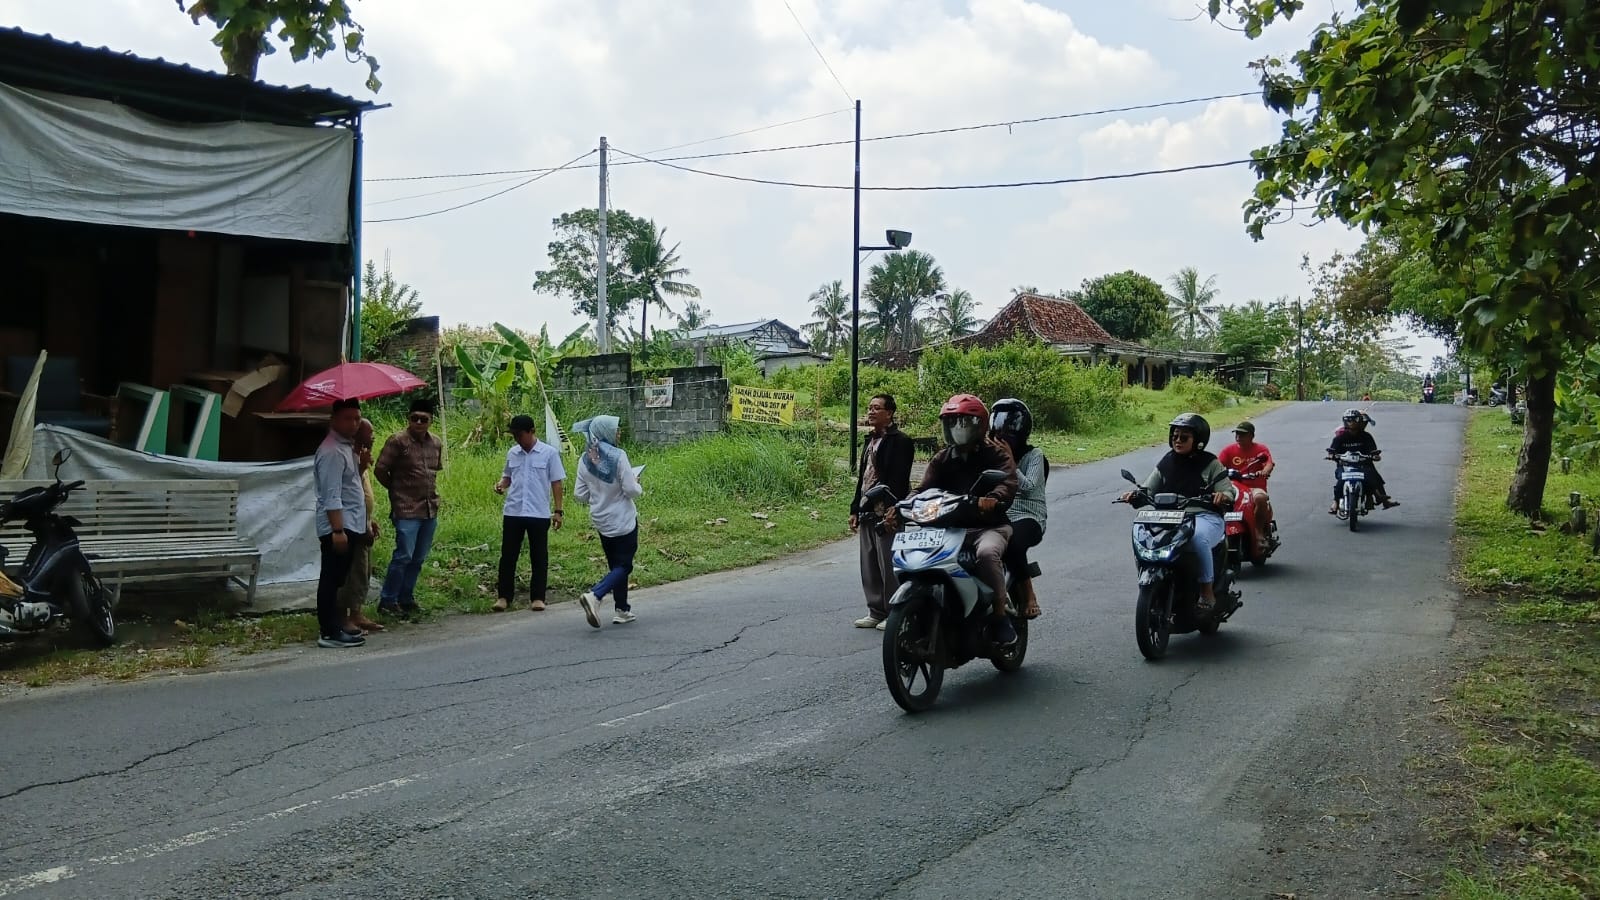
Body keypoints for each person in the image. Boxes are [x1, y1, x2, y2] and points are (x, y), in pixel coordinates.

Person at [887, 393, 1020, 646]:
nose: (956, 429)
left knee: (987, 553)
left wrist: (992, 498)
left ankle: (1000, 617)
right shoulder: (943, 458)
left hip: (987, 525)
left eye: (963, 423)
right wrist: (901, 505)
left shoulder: (996, 454)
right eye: (951, 424)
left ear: (979, 426)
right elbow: (923, 490)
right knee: (918, 556)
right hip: (950, 528)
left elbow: (1007, 482)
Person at [1118, 413, 1236, 611]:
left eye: (1184, 437)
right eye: (1175, 436)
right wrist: (1135, 495)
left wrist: (1222, 496)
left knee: (1198, 539)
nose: (1178, 440)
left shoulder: (1210, 463)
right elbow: (1148, 489)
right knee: (1144, 537)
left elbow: (1228, 490)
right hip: (1169, 518)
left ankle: (1207, 591)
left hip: (1203, 517)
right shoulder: (1166, 462)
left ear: (1198, 441)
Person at [848, 393, 914, 630]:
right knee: (869, 564)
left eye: (877, 408)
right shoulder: (870, 441)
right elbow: (862, 479)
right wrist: (855, 508)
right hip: (867, 511)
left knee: (889, 563)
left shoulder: (901, 442)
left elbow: (898, 479)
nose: (871, 411)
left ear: (890, 413)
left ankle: (895, 611)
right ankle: (876, 610)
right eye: (869, 407)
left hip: (887, 512)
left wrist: (892, 509)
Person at [374, 397, 444, 617]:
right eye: (415, 418)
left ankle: (406, 597)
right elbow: (380, 469)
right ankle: (388, 600)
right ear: (409, 418)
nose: (419, 423)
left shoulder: (436, 443)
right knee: (403, 555)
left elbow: (434, 471)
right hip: (406, 509)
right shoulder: (397, 441)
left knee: (418, 557)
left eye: (424, 419)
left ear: (431, 420)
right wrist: (396, 491)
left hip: (429, 507)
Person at [573, 414, 643, 628]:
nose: (619, 432)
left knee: (615, 565)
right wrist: (637, 483)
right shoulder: (618, 456)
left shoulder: (585, 459)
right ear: (605, 432)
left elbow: (579, 495)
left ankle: (622, 610)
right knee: (625, 565)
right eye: (615, 429)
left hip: (601, 521)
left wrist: (598, 492)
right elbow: (630, 490)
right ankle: (595, 595)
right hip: (623, 520)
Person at [493, 414, 566, 611]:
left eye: (520, 434)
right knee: (508, 556)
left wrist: (558, 511)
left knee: (539, 556)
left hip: (538, 513)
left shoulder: (549, 453)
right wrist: (500, 485)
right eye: (514, 435)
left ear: (532, 432)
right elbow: (507, 477)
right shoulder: (512, 453)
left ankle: (538, 597)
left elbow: (557, 483)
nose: (517, 439)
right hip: (514, 511)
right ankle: (504, 597)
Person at [312, 398, 368, 648]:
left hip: (351, 524)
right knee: (331, 579)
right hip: (339, 527)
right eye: (348, 418)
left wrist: (362, 464)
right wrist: (337, 530)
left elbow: (350, 485)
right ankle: (329, 631)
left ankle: (336, 626)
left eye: (357, 418)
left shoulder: (347, 448)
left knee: (339, 579)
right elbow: (331, 494)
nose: (354, 423)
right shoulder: (332, 451)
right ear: (334, 420)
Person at [989, 398, 1047, 620]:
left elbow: (1029, 488)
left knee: (1012, 543)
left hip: (1029, 515)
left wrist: (1009, 461)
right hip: (999, 512)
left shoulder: (1035, 456)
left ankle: (1030, 595)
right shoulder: (990, 453)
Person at [338, 417, 385, 635]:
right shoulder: (347, 457)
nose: (373, 436)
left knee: (364, 571)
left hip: (362, 520)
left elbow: (362, 495)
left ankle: (356, 613)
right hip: (351, 524)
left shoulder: (360, 456)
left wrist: (369, 519)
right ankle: (344, 617)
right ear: (357, 435)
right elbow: (347, 489)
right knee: (351, 572)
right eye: (369, 432)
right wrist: (361, 466)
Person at [1215, 420, 1278, 548]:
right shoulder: (1228, 450)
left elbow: (1268, 463)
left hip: (1254, 488)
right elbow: (1217, 467)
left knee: (1260, 498)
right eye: (1237, 434)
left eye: (1242, 435)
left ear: (1251, 436)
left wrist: (1264, 472)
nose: (1238, 437)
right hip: (1233, 488)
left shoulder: (1261, 449)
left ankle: (1258, 532)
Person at [1326, 408, 1399, 513]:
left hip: (1363, 465)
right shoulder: (1340, 437)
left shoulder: (1366, 436)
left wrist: (1375, 456)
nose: (1351, 423)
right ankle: (1335, 502)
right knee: (1340, 482)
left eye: (1354, 420)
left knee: (1372, 479)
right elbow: (1332, 449)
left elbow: (1373, 450)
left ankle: (1379, 498)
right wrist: (1331, 455)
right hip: (1345, 465)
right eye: (1349, 420)